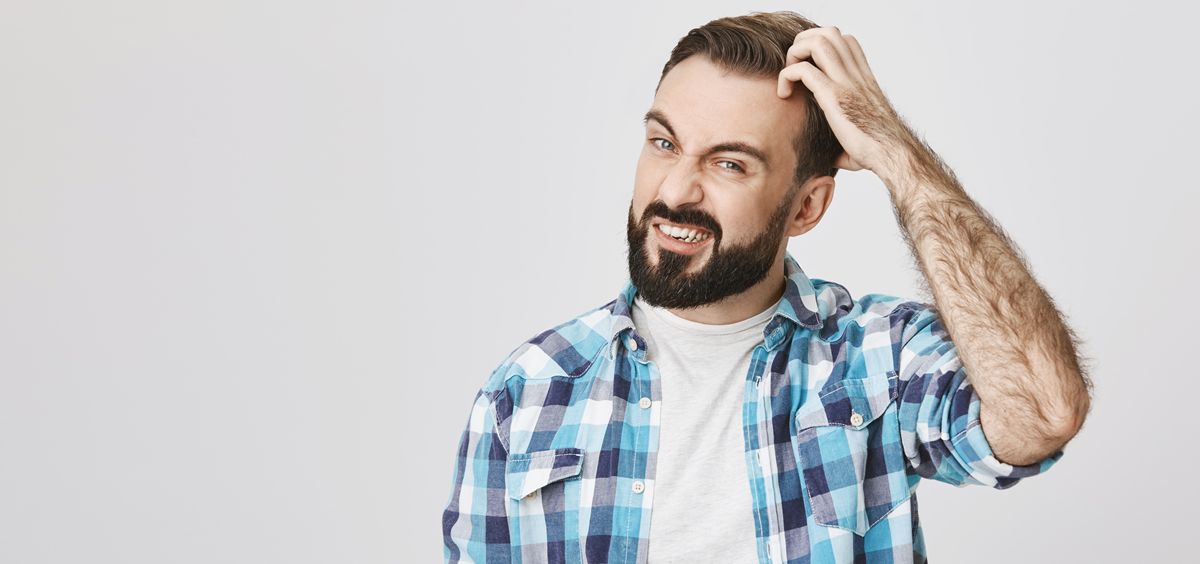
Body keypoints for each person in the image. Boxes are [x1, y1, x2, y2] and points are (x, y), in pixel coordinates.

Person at [441, 10, 1092, 564]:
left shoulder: (877, 364)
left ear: (807, 207)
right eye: (664, 143)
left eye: (729, 163)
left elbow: (1043, 411)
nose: (675, 191)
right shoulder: (527, 392)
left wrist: (896, 152)